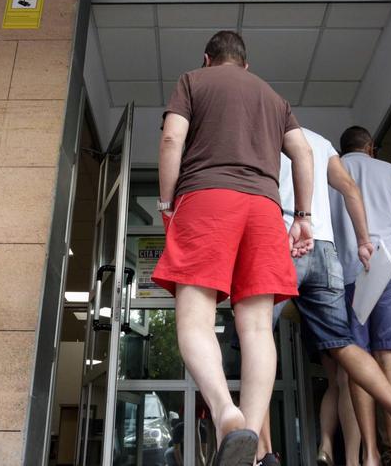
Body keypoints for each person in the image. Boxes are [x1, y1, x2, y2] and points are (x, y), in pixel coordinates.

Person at [152, 30, 316, 466]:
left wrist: (167, 205)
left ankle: (226, 411)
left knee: (195, 318)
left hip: (206, 200)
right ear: (245, 64)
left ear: (207, 59)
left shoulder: (193, 81)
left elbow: (172, 140)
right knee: (259, 327)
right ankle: (252, 439)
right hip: (264, 208)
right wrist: (303, 216)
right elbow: (302, 153)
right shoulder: (273, 97)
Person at [258, 128, 391, 466]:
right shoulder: (375, 166)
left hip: (316, 261)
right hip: (374, 267)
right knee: (379, 355)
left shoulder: (292, 153)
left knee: (332, 361)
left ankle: (362, 455)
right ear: (370, 147)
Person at [329, 125, 391, 466]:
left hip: (347, 274)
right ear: (371, 147)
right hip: (390, 273)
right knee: (389, 358)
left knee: (358, 364)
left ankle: (371, 454)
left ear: (344, 150)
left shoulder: (332, 171)